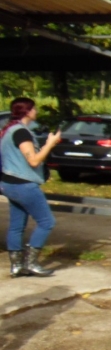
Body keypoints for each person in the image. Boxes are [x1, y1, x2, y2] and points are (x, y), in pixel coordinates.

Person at [0, 98, 61, 277]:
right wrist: (50, 144)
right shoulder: (21, 133)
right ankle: (31, 263)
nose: (36, 111)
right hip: (23, 184)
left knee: (17, 226)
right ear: (27, 111)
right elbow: (33, 160)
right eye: (34, 108)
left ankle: (16, 266)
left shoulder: (8, 130)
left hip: (9, 183)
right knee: (47, 222)